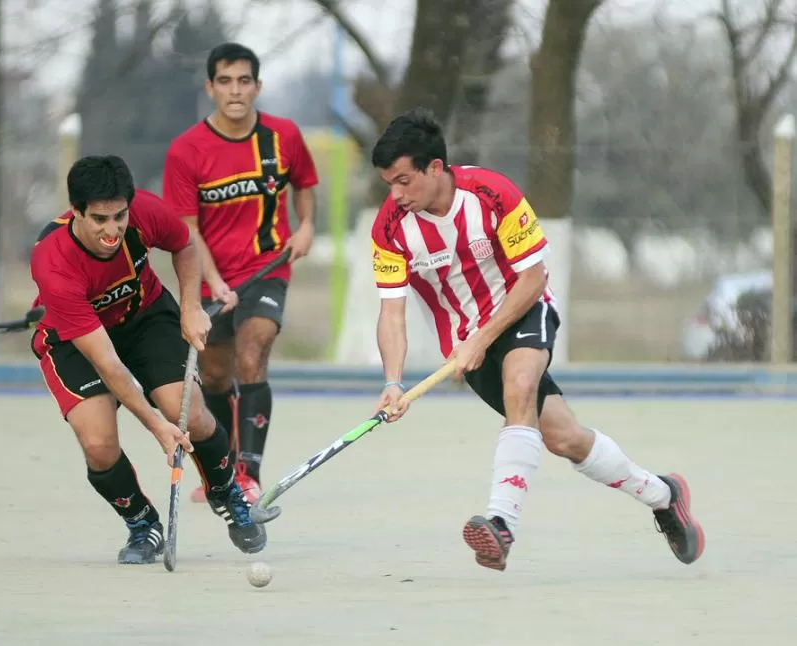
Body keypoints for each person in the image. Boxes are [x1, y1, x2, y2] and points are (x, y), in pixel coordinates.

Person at [368, 108, 705, 572]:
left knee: (521, 384)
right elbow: (392, 311)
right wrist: (393, 381)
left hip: (522, 307)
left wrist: (483, 337)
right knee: (565, 438)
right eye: (389, 183)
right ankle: (664, 495)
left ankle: (501, 525)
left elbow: (533, 275)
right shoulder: (389, 228)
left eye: (404, 181)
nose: (396, 194)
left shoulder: (491, 193)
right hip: (468, 345)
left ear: (435, 167)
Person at [29, 155, 267, 565]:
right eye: (100, 219)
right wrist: (156, 425)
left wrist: (191, 306)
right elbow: (107, 361)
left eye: (119, 216)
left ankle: (225, 491)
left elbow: (184, 245)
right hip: (77, 343)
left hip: (145, 318)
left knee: (190, 416)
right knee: (99, 444)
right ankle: (142, 523)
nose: (113, 230)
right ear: (76, 212)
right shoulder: (53, 262)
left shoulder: (145, 213)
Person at [162, 42, 319, 504]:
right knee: (213, 376)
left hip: (269, 269)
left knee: (253, 351)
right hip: (212, 278)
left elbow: (305, 185)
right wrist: (217, 284)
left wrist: (306, 226)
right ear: (211, 87)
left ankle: (248, 473)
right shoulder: (186, 151)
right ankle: (223, 469)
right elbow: (188, 233)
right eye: (225, 81)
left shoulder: (283, 136)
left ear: (258, 86)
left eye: (244, 81)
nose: (236, 91)